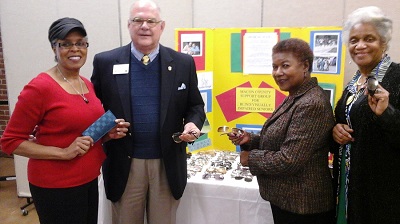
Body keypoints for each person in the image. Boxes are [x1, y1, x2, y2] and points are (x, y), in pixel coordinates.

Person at [0, 17, 130, 224]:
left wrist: (107, 136)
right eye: (66, 44)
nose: (75, 49)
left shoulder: (86, 84)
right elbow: (10, 141)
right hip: (56, 185)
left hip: (88, 179)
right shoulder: (40, 88)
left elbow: (80, 134)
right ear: (54, 48)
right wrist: (63, 153)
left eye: (80, 43)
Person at [91, 0, 205, 223]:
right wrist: (107, 129)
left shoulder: (183, 62)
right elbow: (93, 109)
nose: (145, 26)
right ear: (128, 25)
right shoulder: (105, 62)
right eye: (138, 20)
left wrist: (193, 124)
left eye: (151, 21)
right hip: (124, 164)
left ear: (161, 26)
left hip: (167, 163)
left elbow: (196, 106)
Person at [228, 38, 335, 224]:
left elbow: (289, 160)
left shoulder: (311, 103)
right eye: (274, 67)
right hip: (290, 202)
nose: (278, 73)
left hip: (304, 207)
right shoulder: (296, 95)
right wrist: (250, 140)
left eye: (285, 66)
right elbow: (282, 139)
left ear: (305, 66)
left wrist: (250, 158)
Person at [332, 6, 400, 224]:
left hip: (382, 190)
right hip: (349, 184)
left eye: (368, 38)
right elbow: (346, 121)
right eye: (353, 40)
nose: (360, 45)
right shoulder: (354, 83)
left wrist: (387, 114)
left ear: (383, 42)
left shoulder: (397, 77)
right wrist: (335, 130)